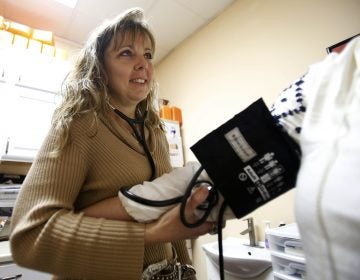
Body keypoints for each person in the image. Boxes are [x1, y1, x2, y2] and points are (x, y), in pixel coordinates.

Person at [9, 8, 213, 280]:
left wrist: (187, 270)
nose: (144, 64)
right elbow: (29, 235)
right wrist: (151, 234)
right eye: (127, 53)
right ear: (99, 67)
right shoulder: (78, 126)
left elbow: (172, 210)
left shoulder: (155, 132)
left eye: (148, 54)